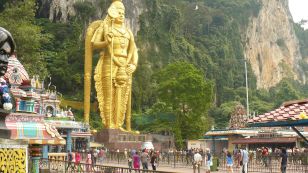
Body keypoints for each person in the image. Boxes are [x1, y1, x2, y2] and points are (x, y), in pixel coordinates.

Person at [84, 0, 138, 131]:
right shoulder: (105, 27)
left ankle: (118, 124)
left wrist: (134, 64)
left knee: (122, 96)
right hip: (109, 63)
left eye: (123, 13)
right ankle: (109, 124)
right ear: (112, 13)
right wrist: (105, 42)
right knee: (109, 95)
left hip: (124, 65)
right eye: (118, 12)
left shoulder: (128, 32)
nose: (121, 15)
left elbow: (134, 50)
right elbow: (94, 44)